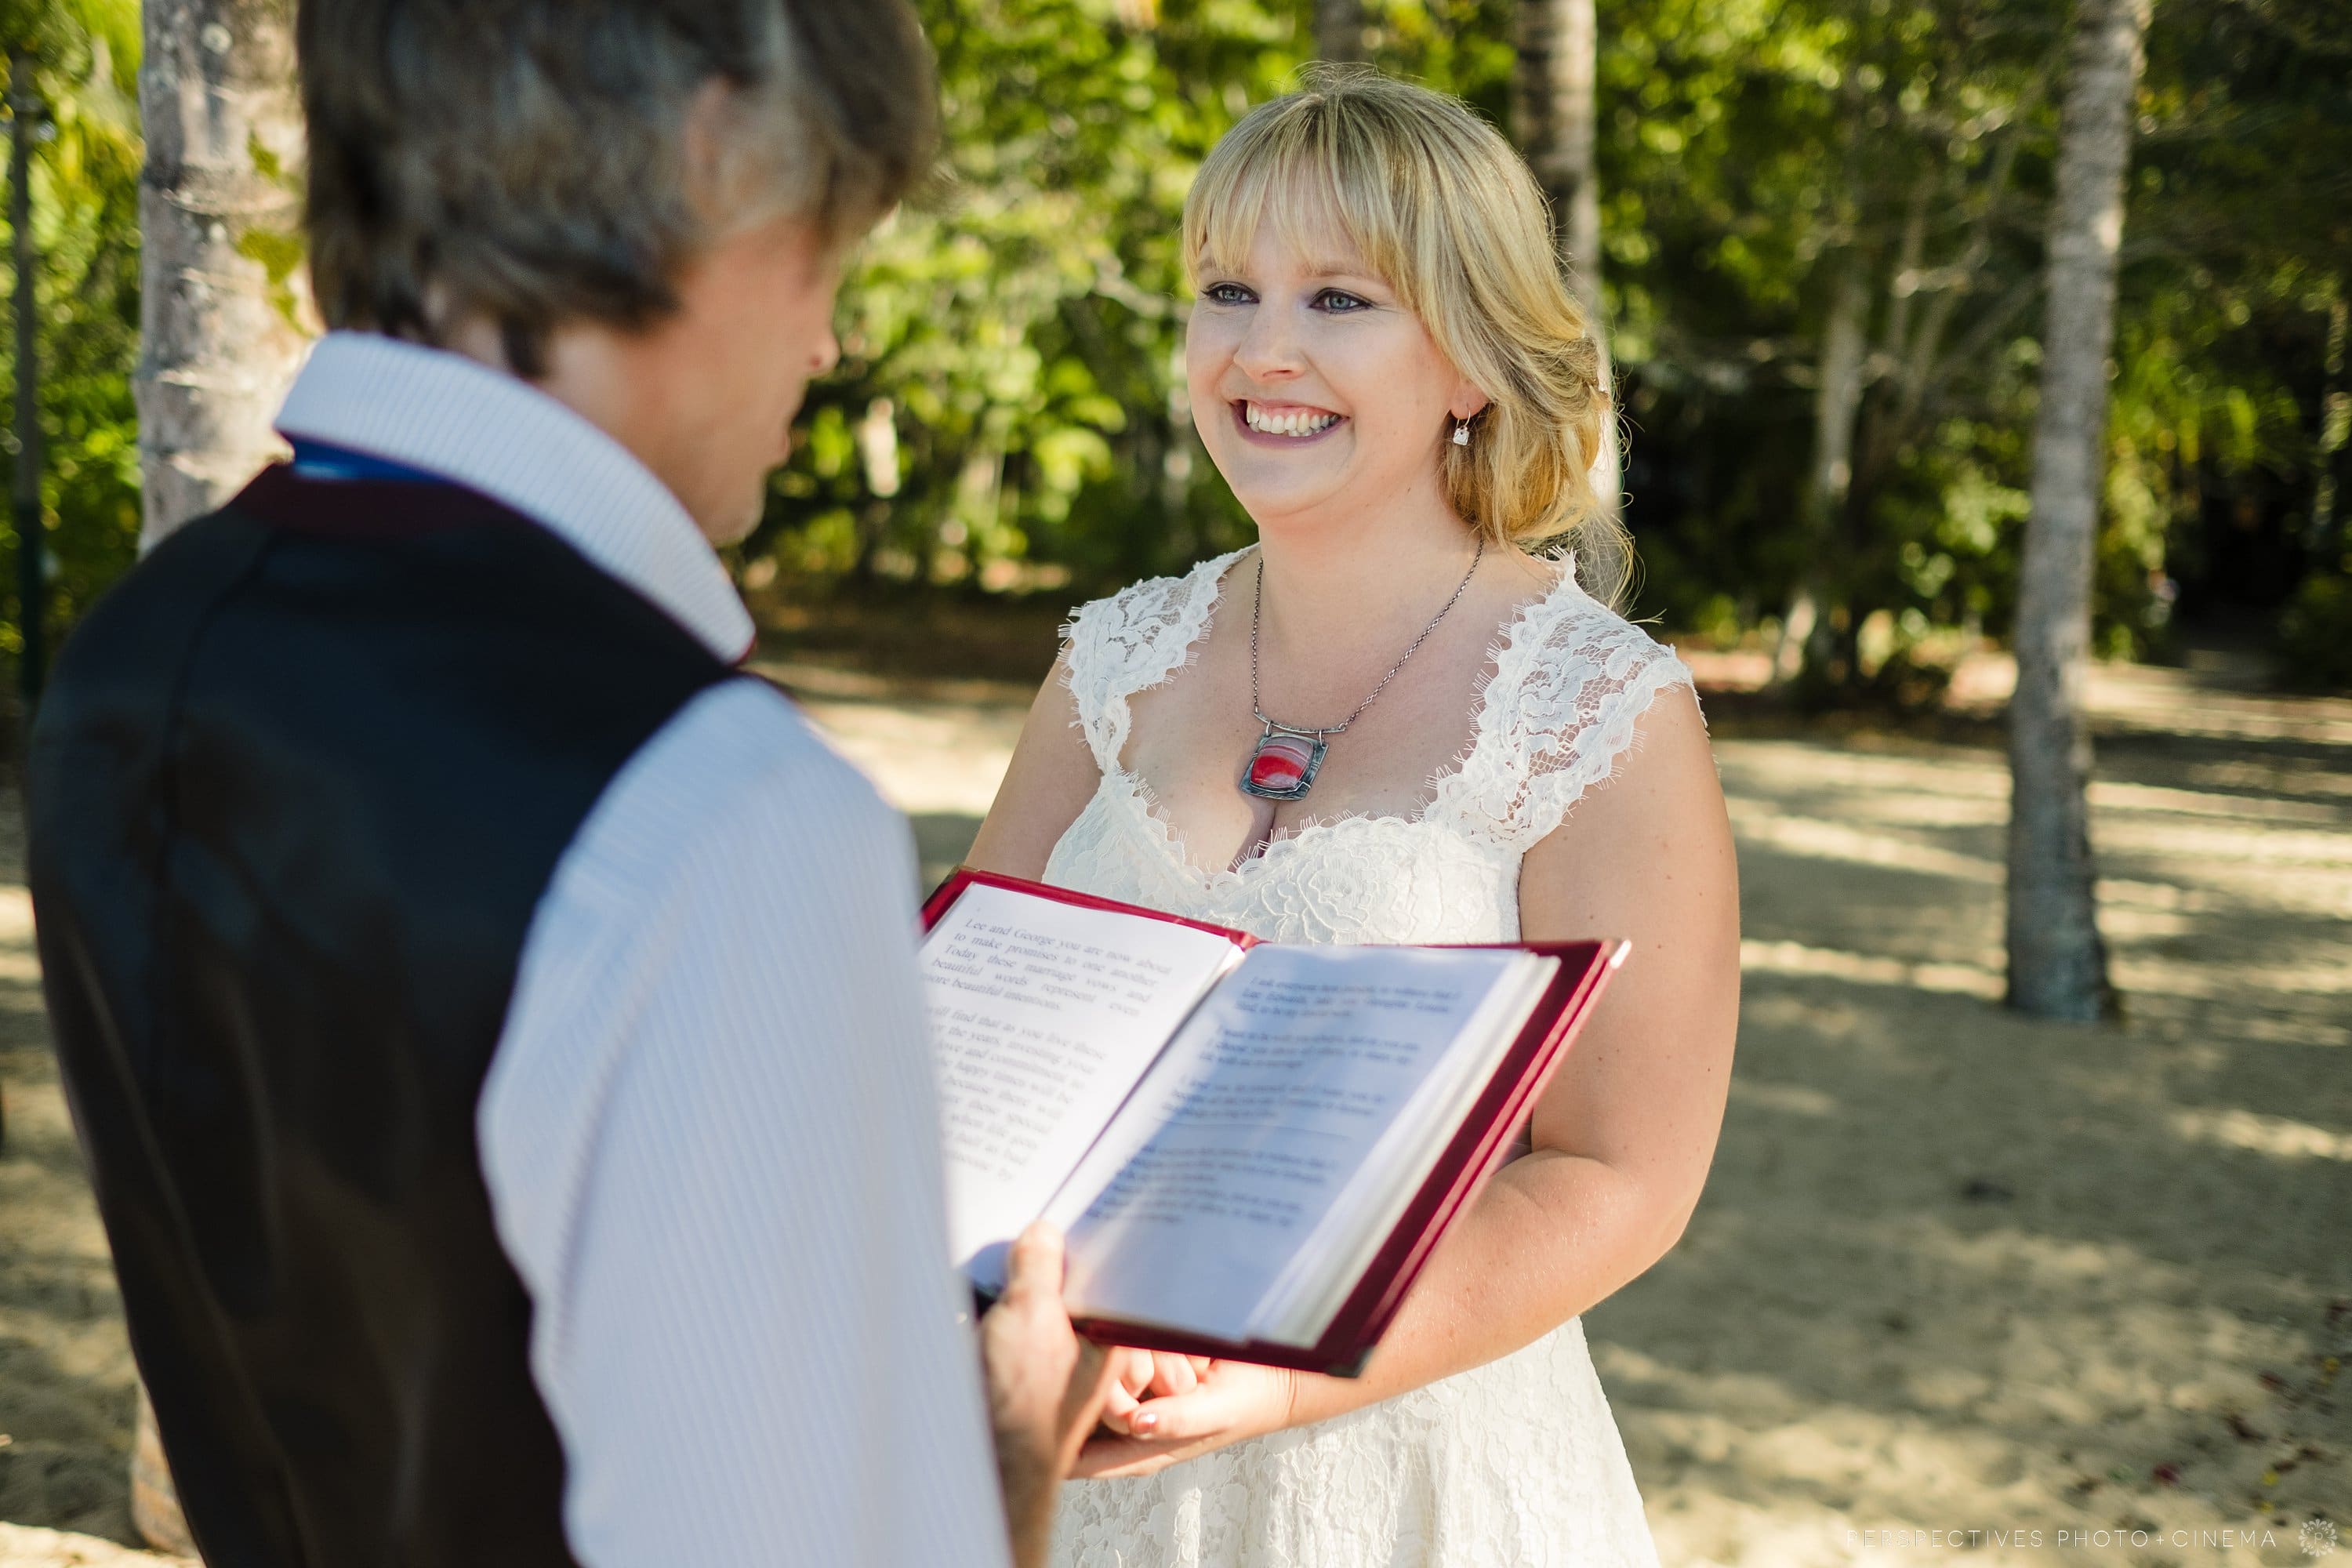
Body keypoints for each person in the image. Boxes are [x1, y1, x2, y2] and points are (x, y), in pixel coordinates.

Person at [27, 3, 1107, 1565]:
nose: (827, 340)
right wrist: (1002, 1457)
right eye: (827, 252)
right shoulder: (718, 808)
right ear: (713, 151)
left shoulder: (137, 656)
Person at [965, 68, 1742, 1566]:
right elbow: (985, 1049)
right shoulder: (1110, 660)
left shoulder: (1601, 710)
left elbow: (1619, 1177)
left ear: (1470, 361)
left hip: (1405, 1471)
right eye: (1225, 290)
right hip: (1071, 1442)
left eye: (1339, 302)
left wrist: (1272, 1375)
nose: (1261, 349)